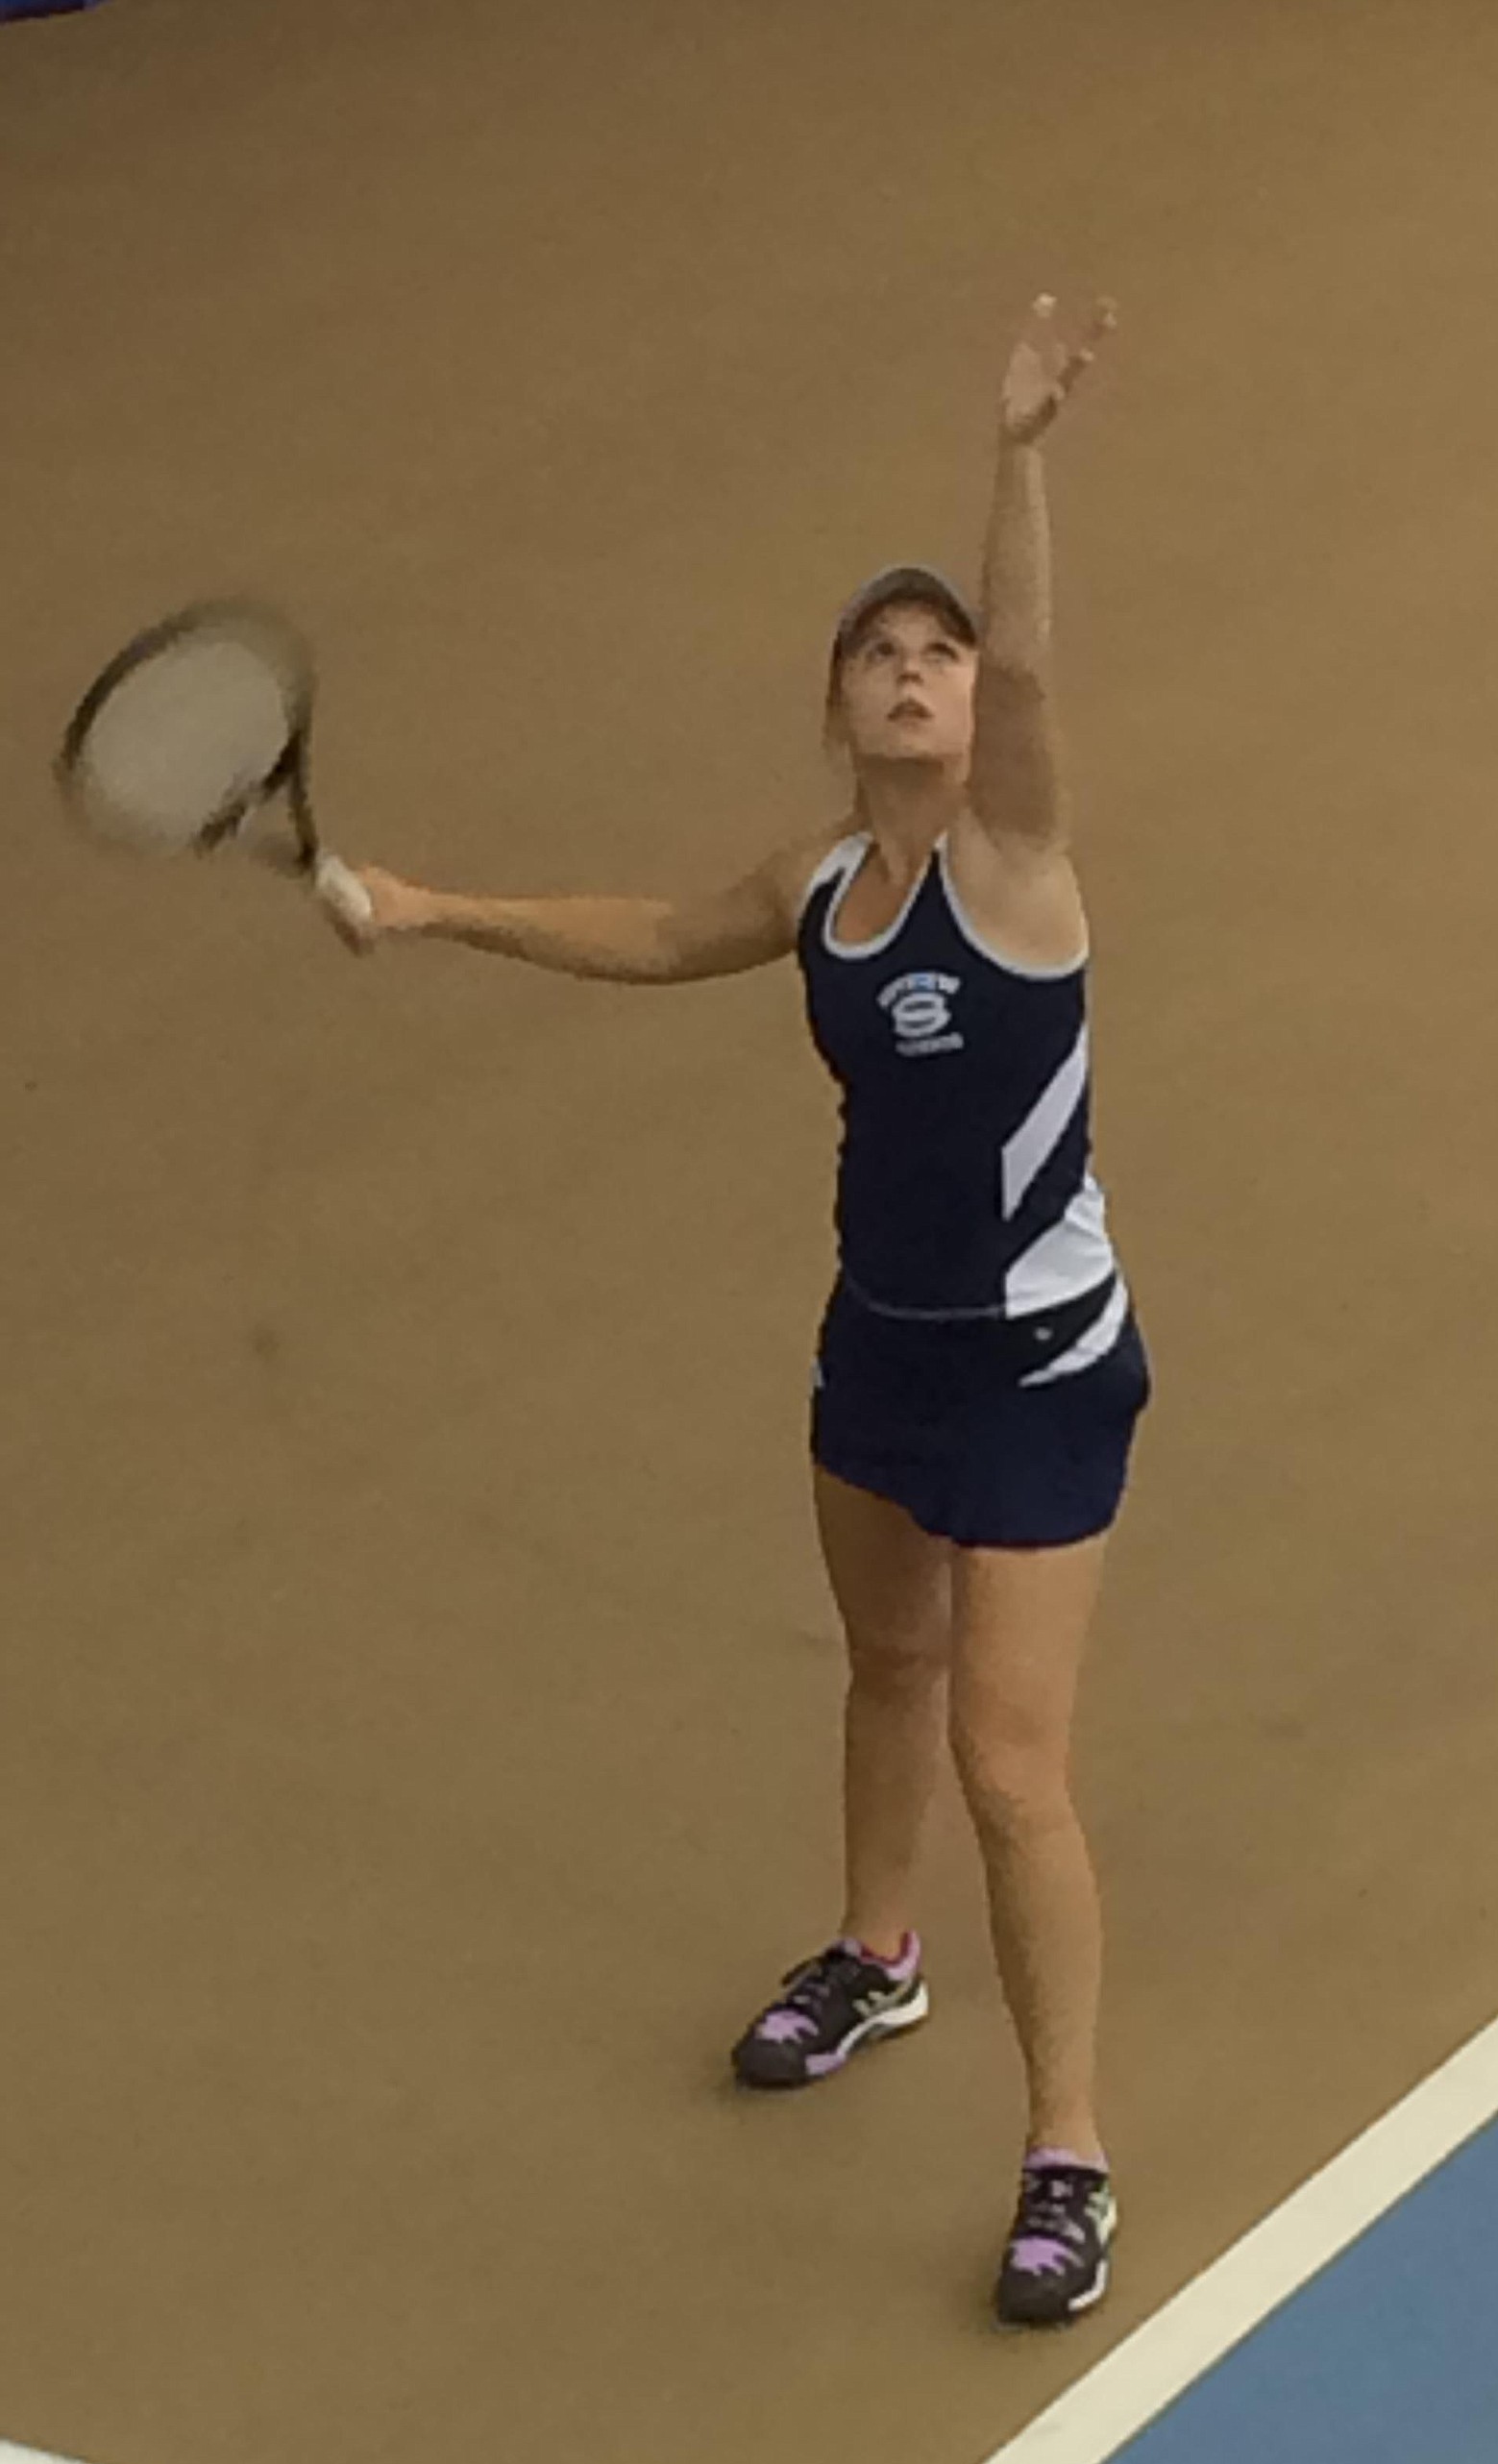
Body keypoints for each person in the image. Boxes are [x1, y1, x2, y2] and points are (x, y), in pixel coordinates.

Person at [325, 294, 1148, 2327]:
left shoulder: (1016, 861)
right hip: (878, 1346)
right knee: (884, 1667)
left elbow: (1036, 659)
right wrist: (432, 909)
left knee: (1010, 1760)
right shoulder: (817, 894)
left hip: (1041, 1370)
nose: (916, 672)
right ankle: (876, 1959)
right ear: (837, 708)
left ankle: (1069, 2155)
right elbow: (654, 932)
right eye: (880, 654)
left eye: (938, 654)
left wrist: (1019, 452)